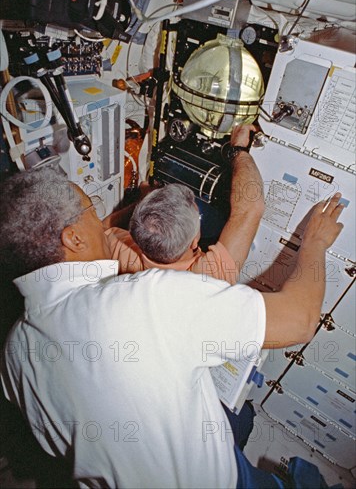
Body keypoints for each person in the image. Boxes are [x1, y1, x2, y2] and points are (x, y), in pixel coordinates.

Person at [0, 166, 344, 489]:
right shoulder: (151, 299)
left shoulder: (13, 350)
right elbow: (300, 321)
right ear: (73, 239)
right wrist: (315, 242)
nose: (98, 217)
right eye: (91, 207)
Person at [105, 124, 265, 284]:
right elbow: (250, 208)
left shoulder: (122, 248)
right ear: (195, 241)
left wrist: (142, 203)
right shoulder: (209, 278)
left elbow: (103, 228)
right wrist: (238, 150)